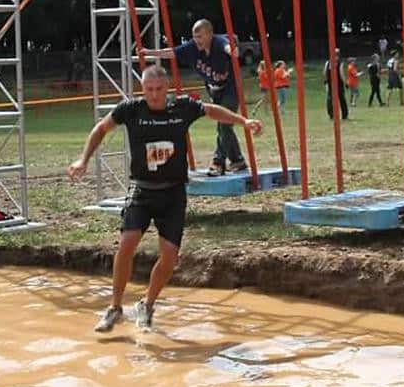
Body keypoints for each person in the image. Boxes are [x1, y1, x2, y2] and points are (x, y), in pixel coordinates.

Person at [68, 65, 263, 332]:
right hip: (142, 190)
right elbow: (101, 128)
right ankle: (115, 308)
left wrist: (243, 121)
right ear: (143, 89)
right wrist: (83, 159)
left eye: (159, 90)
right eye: (149, 90)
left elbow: (211, 110)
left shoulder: (181, 107)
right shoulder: (131, 109)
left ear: (167, 89)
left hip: (173, 193)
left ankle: (146, 305)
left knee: (170, 257)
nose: (154, 95)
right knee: (127, 243)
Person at [141, 18, 246, 177]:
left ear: (210, 34)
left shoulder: (218, 42)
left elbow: (228, 46)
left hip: (231, 89)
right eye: (195, 37)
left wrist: (232, 50)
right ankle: (237, 160)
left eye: (200, 37)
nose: (197, 40)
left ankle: (218, 162)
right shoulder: (192, 47)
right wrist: (150, 52)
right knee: (224, 125)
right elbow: (172, 52)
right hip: (214, 90)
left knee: (224, 124)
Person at [323, 48, 348, 120]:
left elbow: (325, 72)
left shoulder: (328, 63)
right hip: (338, 84)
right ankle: (344, 115)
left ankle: (331, 114)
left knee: (330, 99)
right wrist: (345, 82)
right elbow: (341, 74)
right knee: (341, 99)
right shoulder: (340, 63)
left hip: (330, 83)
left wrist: (325, 81)